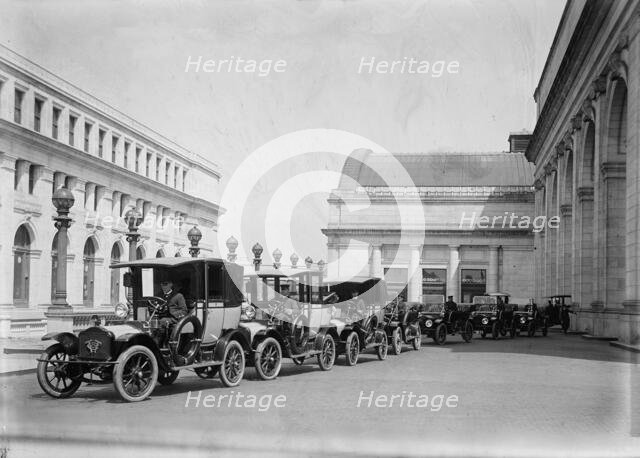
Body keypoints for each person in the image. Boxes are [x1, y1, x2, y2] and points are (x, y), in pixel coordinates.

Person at [154, 279, 188, 346]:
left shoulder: (178, 296)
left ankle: (157, 345)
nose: (163, 286)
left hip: (173, 318)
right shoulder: (158, 296)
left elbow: (184, 310)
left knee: (162, 322)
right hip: (160, 316)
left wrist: (172, 314)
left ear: (170, 284)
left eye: (165, 284)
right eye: (162, 284)